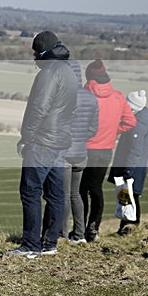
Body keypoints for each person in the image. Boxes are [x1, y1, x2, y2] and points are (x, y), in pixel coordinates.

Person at [8, 31, 76, 258]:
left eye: (35, 52)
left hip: (42, 142)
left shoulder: (49, 73)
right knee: (55, 194)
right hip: (60, 141)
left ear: (42, 51)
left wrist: (26, 138)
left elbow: (39, 109)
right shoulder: (70, 71)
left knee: (30, 192)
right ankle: (50, 243)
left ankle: (30, 245)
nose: (34, 57)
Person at [79, 59, 136, 242]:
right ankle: (93, 229)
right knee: (96, 189)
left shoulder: (83, 95)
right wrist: (112, 131)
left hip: (84, 148)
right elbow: (130, 122)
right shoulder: (118, 97)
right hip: (105, 150)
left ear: (89, 76)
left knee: (80, 190)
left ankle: (78, 229)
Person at [56, 61, 98, 244]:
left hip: (64, 152)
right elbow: (93, 129)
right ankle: (79, 234)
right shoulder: (90, 97)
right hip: (82, 152)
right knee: (76, 194)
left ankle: (62, 234)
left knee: (63, 194)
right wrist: (80, 138)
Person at [108, 90, 148, 235]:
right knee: (128, 196)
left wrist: (128, 171)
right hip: (133, 166)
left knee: (131, 197)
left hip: (132, 168)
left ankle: (130, 227)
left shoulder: (137, 126)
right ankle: (126, 227)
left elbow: (135, 151)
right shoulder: (139, 120)